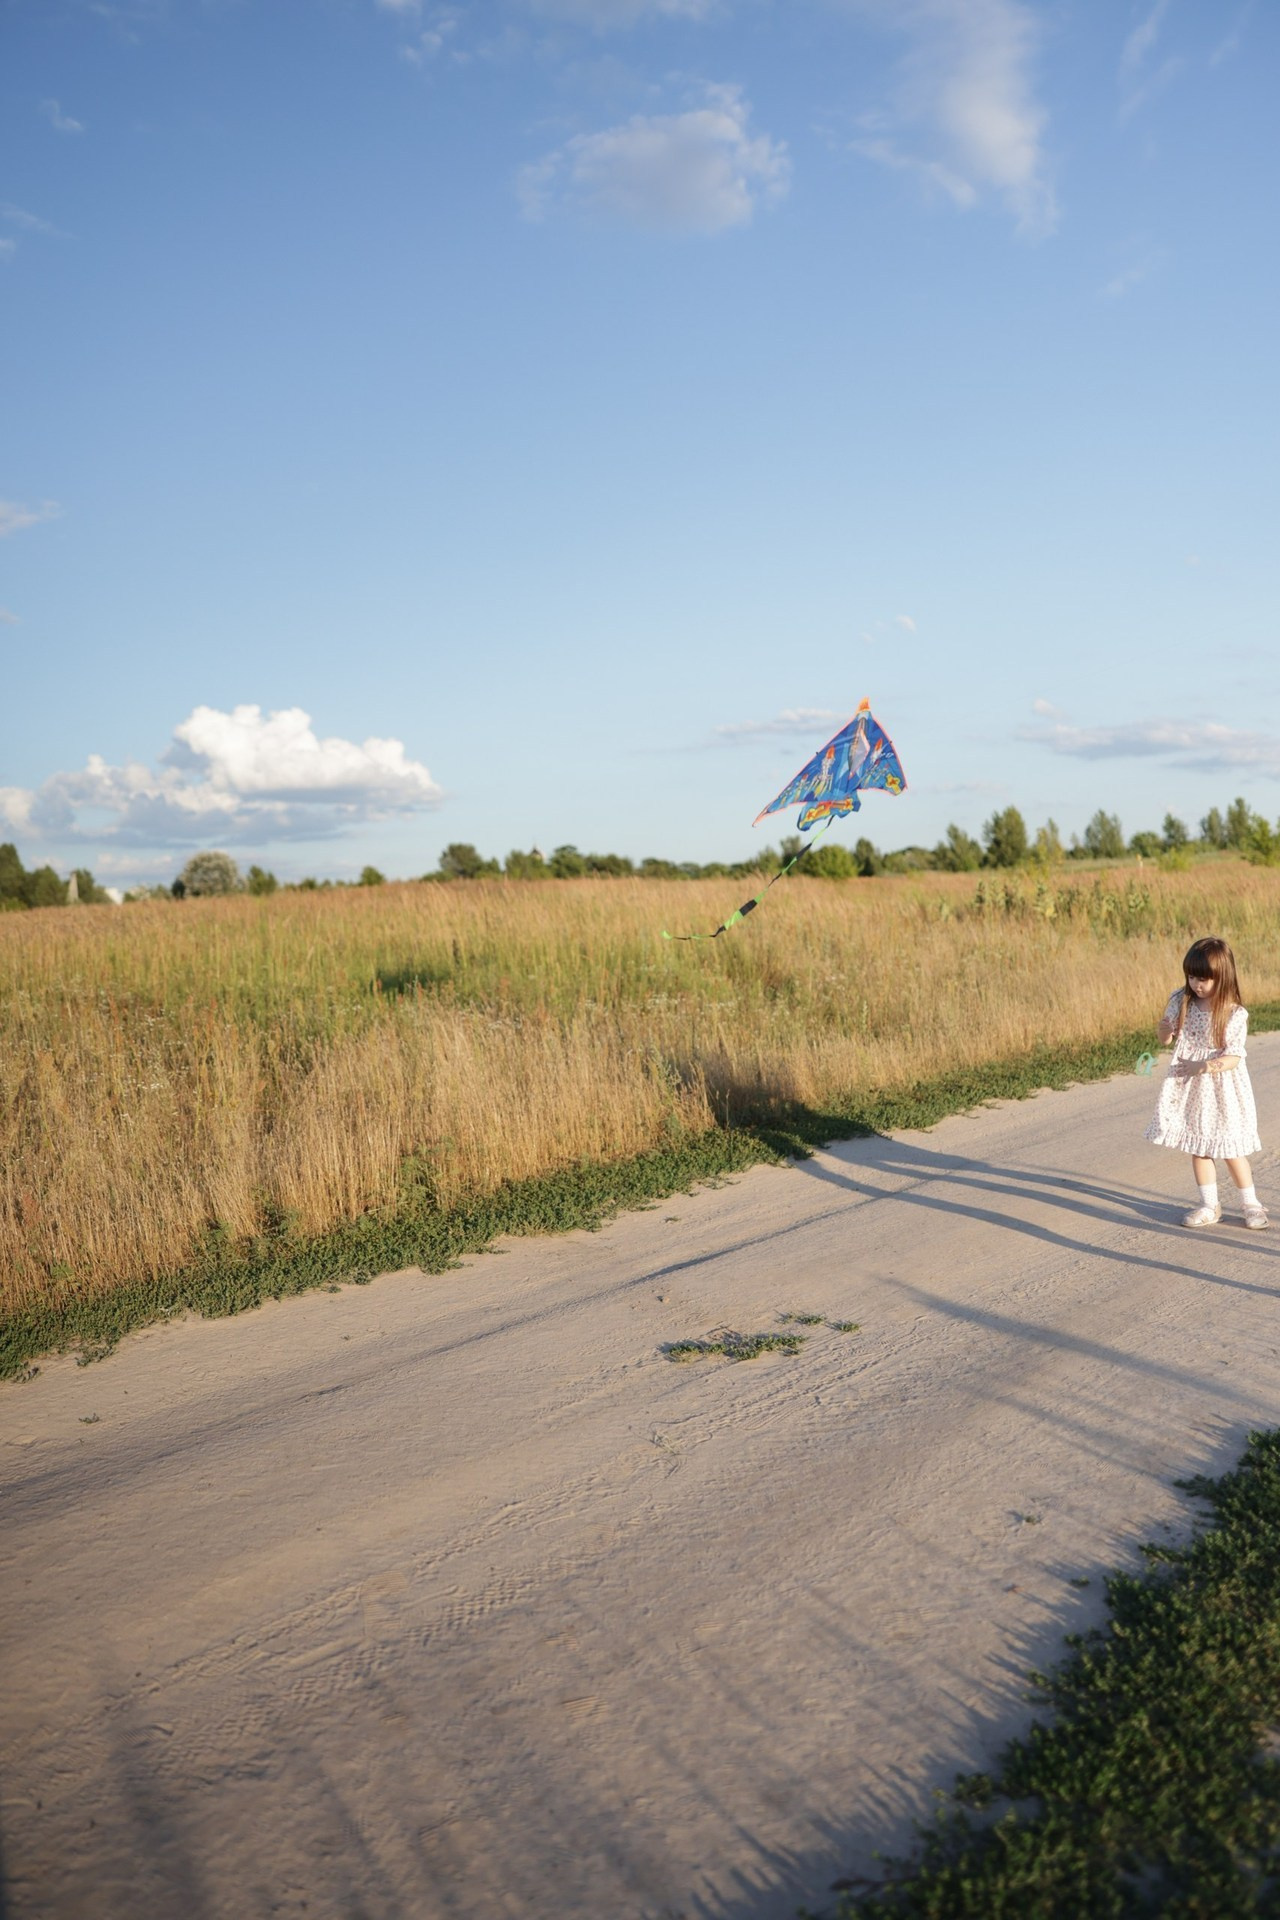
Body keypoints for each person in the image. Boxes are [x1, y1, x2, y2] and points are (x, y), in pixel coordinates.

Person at [1147, 936, 1266, 1228]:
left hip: (1223, 1086)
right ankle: (1209, 1205)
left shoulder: (1234, 1013)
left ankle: (1251, 1203)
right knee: (1200, 1146)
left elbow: (1235, 1056)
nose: (1196, 984)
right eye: (1191, 976)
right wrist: (1164, 1031)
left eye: (1203, 978)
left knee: (1230, 1148)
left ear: (1222, 976)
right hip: (1191, 1088)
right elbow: (1166, 1039)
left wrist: (1206, 1065)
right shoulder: (1181, 1000)